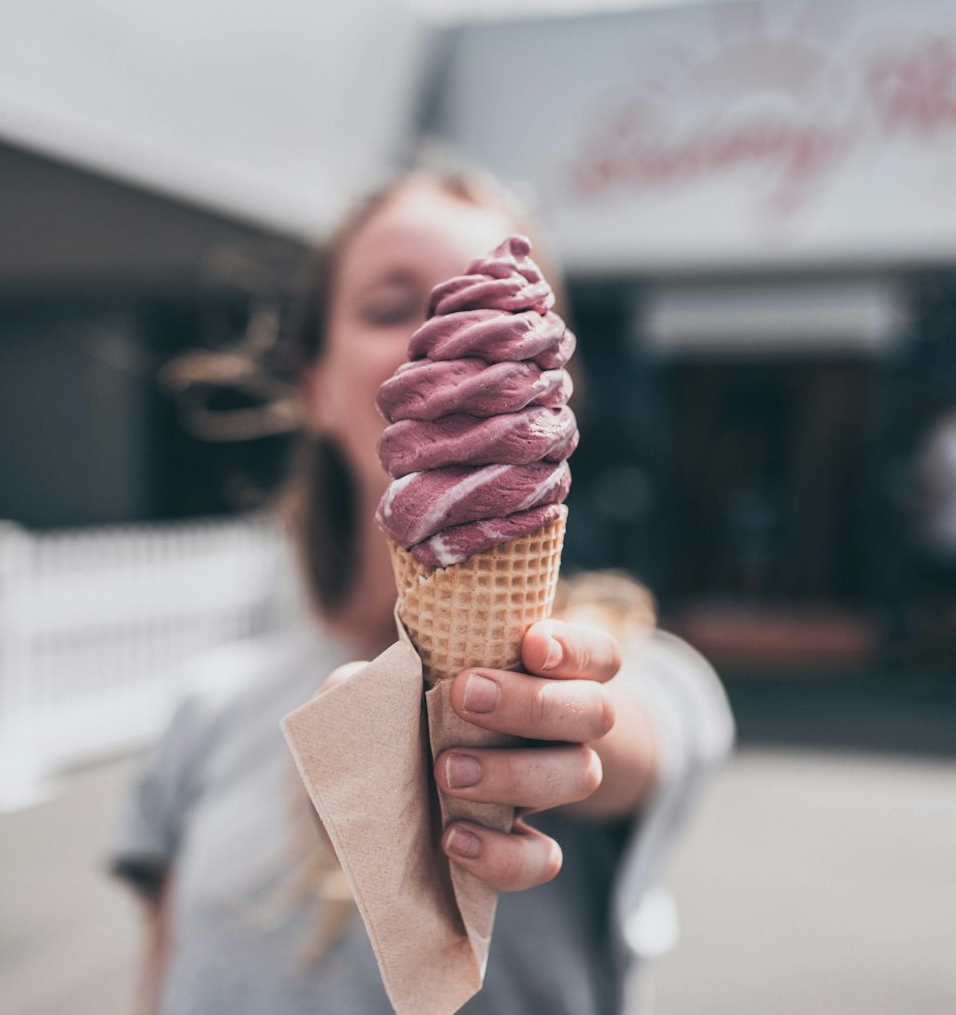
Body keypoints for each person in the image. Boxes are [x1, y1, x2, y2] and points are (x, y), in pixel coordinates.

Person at [110, 168, 734, 1015]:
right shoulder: (210, 707)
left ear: (552, 394)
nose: (447, 335)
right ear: (317, 385)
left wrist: (561, 732)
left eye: (497, 315)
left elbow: (655, 736)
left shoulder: (625, 664)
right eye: (391, 304)